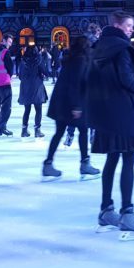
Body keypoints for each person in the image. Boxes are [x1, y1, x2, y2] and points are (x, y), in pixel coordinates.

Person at [85, 11, 134, 240]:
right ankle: (127, 212)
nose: (132, 29)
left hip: (104, 112)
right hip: (123, 110)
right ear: (118, 25)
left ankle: (106, 209)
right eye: (129, 26)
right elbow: (127, 79)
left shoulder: (98, 48)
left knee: (112, 159)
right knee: (128, 159)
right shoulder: (121, 48)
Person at [42, 37, 100, 181]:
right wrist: (76, 106)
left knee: (60, 133)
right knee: (83, 131)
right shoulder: (80, 60)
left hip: (61, 103)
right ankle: (84, 163)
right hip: (71, 104)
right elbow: (75, 84)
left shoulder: (71, 59)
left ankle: (48, 164)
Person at [18, 46, 48, 139]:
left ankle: (24, 130)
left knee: (27, 109)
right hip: (37, 86)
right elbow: (45, 72)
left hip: (25, 87)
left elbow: (20, 75)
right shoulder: (38, 60)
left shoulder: (23, 61)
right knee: (38, 109)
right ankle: (37, 131)